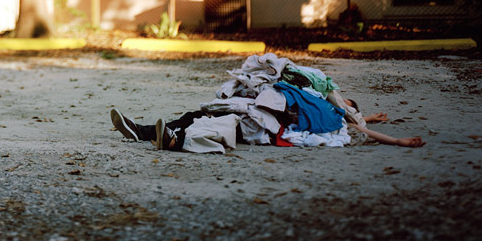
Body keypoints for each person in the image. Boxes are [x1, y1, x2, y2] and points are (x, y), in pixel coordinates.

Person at [110, 100, 425, 152]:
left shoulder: (335, 120)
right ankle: (143, 130)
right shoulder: (318, 103)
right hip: (255, 117)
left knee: (213, 127)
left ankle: (173, 141)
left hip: (260, 129)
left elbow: (361, 128)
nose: (345, 108)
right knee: (196, 114)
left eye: (350, 109)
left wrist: (397, 141)